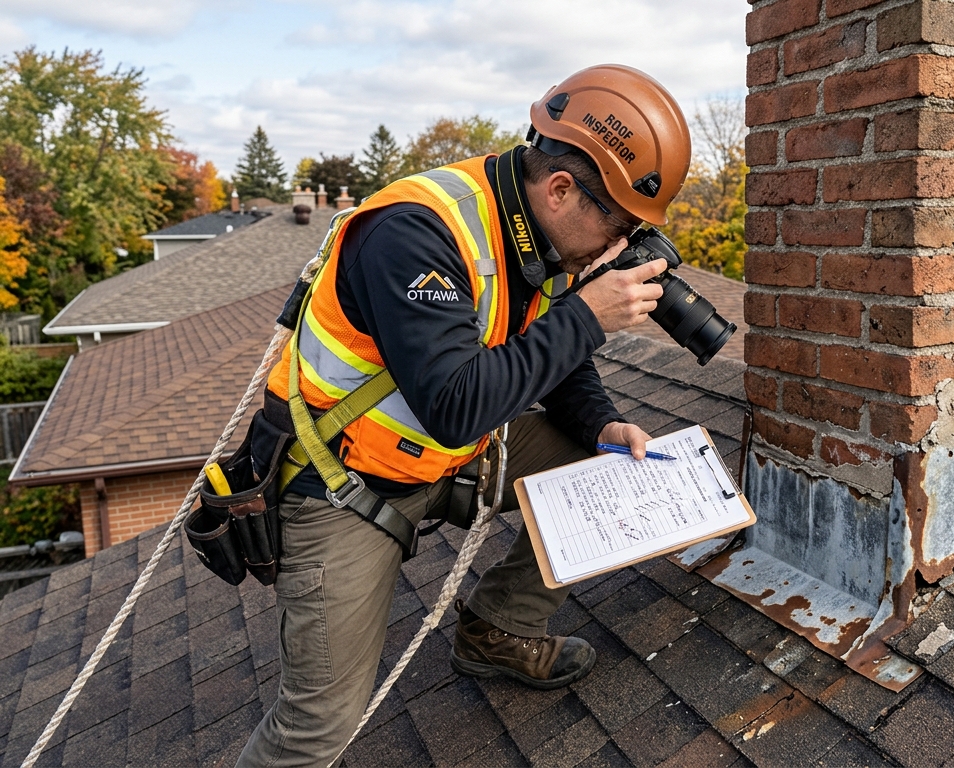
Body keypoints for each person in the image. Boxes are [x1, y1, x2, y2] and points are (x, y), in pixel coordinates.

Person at [238, 64, 692, 766]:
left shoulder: (538, 233)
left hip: (443, 452)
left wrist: (601, 424)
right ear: (563, 189)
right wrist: (588, 317)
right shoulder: (416, 232)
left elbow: (554, 355)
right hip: (344, 482)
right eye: (620, 227)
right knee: (317, 726)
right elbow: (454, 406)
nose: (618, 249)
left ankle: (496, 630)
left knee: (606, 468)